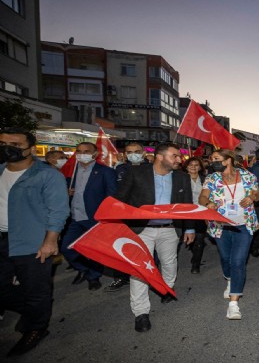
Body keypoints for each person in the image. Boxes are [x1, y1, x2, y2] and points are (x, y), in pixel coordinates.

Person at [0, 128, 69, 357]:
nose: (8, 147)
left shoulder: (47, 175)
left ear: (30, 148)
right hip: (2, 239)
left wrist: (50, 241)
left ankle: (36, 328)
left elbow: (58, 210)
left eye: (15, 144)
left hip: (33, 241)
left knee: (35, 290)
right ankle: (32, 312)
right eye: (3, 142)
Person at [113, 143, 195, 332]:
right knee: (139, 270)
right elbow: (120, 199)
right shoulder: (136, 173)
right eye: (174, 156)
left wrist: (189, 228)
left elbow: (187, 205)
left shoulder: (182, 177)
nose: (179, 160)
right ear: (159, 156)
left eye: (179, 156)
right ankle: (141, 313)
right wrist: (113, 222)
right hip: (142, 230)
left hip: (170, 229)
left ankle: (166, 289)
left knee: (169, 263)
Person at [199, 149, 259, 320]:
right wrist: (208, 203)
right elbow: (202, 197)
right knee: (226, 259)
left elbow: (257, 193)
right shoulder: (212, 178)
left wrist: (252, 198)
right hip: (220, 225)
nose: (212, 162)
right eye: (211, 159)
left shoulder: (247, 176)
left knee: (238, 261)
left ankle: (233, 304)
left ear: (228, 160)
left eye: (216, 159)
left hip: (243, 225)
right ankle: (229, 279)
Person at [60, 142, 117, 291]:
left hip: (95, 218)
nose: (81, 154)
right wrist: (66, 192)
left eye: (86, 151)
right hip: (75, 217)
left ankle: (93, 277)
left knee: (95, 250)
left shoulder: (105, 172)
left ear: (95, 154)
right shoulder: (70, 172)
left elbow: (112, 196)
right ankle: (84, 269)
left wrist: (106, 218)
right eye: (78, 151)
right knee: (66, 247)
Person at [106, 142, 150, 292]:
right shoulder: (119, 169)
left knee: (146, 249)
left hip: (145, 215)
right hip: (123, 216)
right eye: (129, 152)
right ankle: (121, 277)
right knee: (121, 248)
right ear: (124, 155)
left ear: (143, 153)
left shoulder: (152, 169)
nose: (133, 154)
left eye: (137, 151)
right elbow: (113, 192)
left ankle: (149, 275)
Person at [183, 157, 208, 274]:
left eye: (196, 165)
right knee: (190, 237)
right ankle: (194, 251)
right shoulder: (181, 179)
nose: (193, 167)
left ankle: (196, 264)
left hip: (200, 212)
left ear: (200, 167)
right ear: (186, 166)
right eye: (190, 164)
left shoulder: (205, 179)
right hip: (185, 213)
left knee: (200, 238)